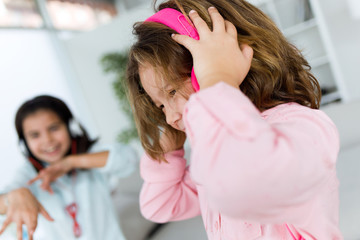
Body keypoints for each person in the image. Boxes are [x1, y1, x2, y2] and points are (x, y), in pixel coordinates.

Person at [125, 0, 342, 239]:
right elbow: (160, 205)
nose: (169, 117)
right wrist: (167, 153)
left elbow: (241, 184)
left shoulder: (302, 125)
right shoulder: (215, 149)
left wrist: (217, 80)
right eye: (161, 106)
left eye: (172, 92)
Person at [0, 95, 137, 240]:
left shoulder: (89, 156)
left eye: (54, 128)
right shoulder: (28, 173)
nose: (47, 140)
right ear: (25, 142)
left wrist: (71, 162)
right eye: (35, 135)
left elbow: (129, 158)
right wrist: (14, 196)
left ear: (69, 126)